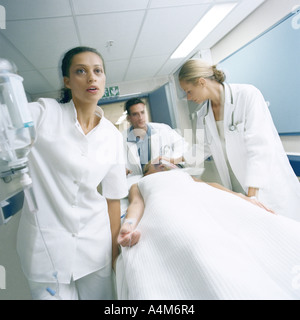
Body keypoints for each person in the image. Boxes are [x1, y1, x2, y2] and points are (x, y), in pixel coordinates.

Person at [16, 46, 128, 300]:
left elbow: (113, 199)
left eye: (97, 71)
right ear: (67, 81)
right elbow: (9, 120)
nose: (92, 77)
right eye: (81, 71)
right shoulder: (44, 114)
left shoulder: (112, 136)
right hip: (45, 252)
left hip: (95, 247)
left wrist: (113, 255)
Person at [116, 163, 300, 300]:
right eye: (154, 164)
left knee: (258, 222)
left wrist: (242, 197)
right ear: (147, 171)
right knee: (196, 239)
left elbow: (211, 185)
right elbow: (136, 204)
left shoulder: (182, 175)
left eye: (162, 163)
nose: (160, 165)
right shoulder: (141, 183)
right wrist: (129, 226)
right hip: (167, 203)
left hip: (203, 199)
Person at [178, 59, 300, 221]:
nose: (188, 97)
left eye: (188, 91)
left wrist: (253, 197)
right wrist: (173, 160)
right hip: (238, 189)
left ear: (201, 82)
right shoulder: (203, 115)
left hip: (263, 187)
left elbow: (260, 148)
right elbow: (202, 148)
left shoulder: (247, 95)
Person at [123, 98, 187, 179]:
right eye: (135, 114)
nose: (140, 117)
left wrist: (173, 160)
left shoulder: (163, 129)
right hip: (137, 180)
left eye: (142, 112)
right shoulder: (121, 139)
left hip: (165, 178)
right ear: (129, 118)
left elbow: (181, 144)